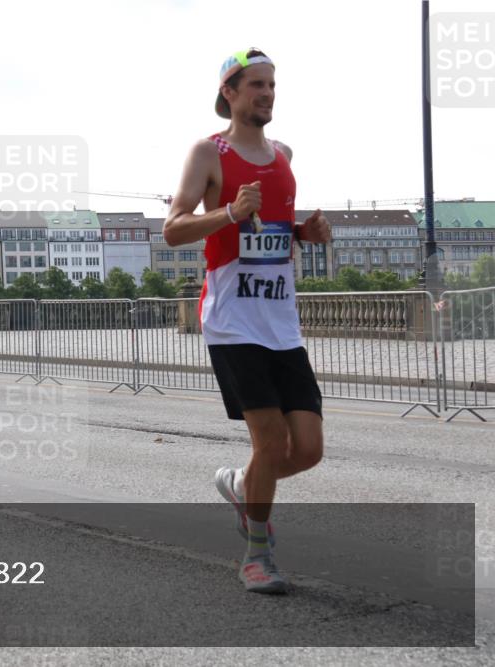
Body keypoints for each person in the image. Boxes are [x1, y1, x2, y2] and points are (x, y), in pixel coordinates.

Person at [163, 49, 331, 594]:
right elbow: (174, 229)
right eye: (256, 84)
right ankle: (258, 556)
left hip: (281, 321)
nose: (267, 94)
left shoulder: (283, 154)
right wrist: (230, 213)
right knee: (269, 438)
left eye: (272, 85)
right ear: (229, 93)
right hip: (233, 320)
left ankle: (241, 484)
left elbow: (274, 232)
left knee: (305, 449)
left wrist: (304, 234)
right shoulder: (207, 153)